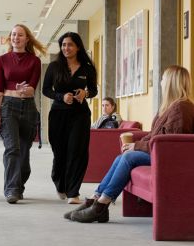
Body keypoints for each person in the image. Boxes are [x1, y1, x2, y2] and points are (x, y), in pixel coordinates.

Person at [66, 65, 194, 223]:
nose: (160, 82)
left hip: (169, 159)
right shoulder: (170, 107)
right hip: (158, 153)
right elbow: (154, 135)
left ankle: (102, 204)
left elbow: (169, 143)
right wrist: (135, 145)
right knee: (122, 157)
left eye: (163, 79)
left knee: (128, 158)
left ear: (171, 83)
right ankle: (95, 198)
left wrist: (137, 147)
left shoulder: (181, 108)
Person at [42, 32, 98, 204]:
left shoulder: (87, 68)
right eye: (64, 45)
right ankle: (60, 183)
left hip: (80, 115)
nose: (66, 48)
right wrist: (60, 97)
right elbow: (46, 90)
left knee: (77, 151)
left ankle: (73, 192)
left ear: (78, 47)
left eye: (70, 45)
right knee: (60, 152)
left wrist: (85, 92)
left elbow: (93, 90)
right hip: (58, 114)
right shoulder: (54, 67)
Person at [0, 24, 46, 204]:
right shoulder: (2, 60)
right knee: (12, 149)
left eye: (20, 35)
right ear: (10, 38)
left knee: (24, 153)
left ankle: (18, 185)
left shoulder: (35, 61)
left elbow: (32, 88)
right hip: (8, 108)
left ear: (27, 39)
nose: (16, 37)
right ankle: (12, 190)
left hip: (28, 108)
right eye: (14, 35)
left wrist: (25, 90)